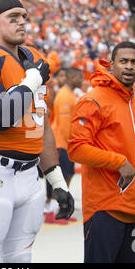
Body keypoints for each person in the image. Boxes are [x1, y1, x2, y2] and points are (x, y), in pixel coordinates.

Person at [0, 0, 74, 263]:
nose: (22, 22)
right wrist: (32, 79)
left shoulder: (35, 58)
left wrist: (56, 181)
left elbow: (40, 124)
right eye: (13, 17)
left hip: (31, 174)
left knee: (21, 259)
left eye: (24, 17)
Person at [68, 41, 135, 263]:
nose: (128, 67)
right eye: (123, 61)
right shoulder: (93, 99)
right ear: (111, 64)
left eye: (134, 62)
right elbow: (76, 148)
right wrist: (118, 162)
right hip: (105, 207)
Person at [45, 67, 83, 224]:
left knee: (67, 176)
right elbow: (65, 126)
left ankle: (59, 210)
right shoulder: (65, 96)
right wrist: (74, 144)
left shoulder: (68, 94)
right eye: (79, 77)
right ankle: (50, 212)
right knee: (59, 178)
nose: (81, 80)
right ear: (72, 77)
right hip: (61, 143)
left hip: (64, 143)